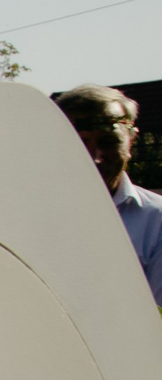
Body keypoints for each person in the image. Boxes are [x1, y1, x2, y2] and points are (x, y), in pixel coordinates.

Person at [53, 84, 162, 306]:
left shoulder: (156, 220)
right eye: (80, 143)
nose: (95, 157)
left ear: (131, 140)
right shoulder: (27, 213)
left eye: (108, 143)